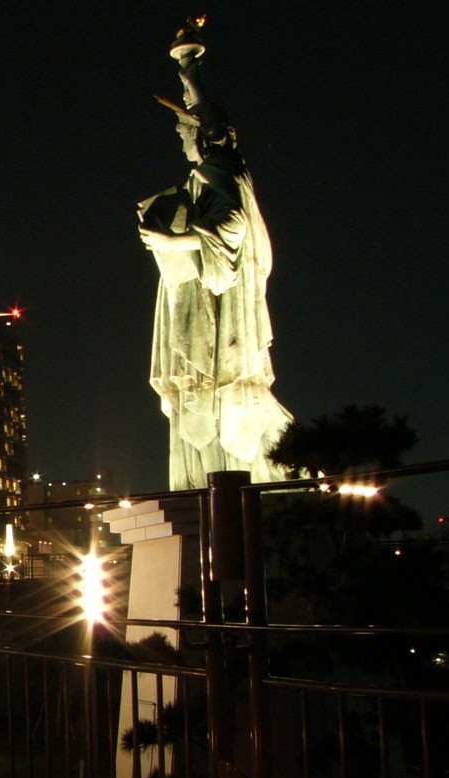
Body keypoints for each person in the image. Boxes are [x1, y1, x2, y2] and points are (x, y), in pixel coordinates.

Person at [139, 45, 291, 490]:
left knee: (214, 388)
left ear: (202, 138)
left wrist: (172, 239)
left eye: (186, 133)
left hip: (216, 305)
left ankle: (229, 475)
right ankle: (202, 476)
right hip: (194, 291)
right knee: (197, 391)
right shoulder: (205, 175)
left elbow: (233, 225)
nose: (182, 139)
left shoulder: (221, 169)